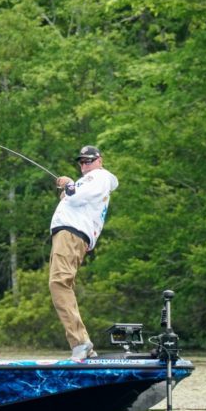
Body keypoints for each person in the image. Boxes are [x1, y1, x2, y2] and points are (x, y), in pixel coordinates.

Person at [49, 145, 119, 359]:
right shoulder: (92, 180)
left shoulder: (99, 176)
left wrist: (69, 184)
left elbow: (78, 196)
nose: (84, 165)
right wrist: (68, 191)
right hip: (70, 235)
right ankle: (85, 346)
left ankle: (80, 342)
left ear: (100, 161)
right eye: (81, 162)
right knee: (63, 284)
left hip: (71, 234)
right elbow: (78, 198)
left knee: (58, 283)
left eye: (89, 160)